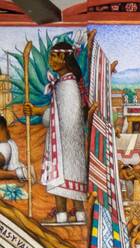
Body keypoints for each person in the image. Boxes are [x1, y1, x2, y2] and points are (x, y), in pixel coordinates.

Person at [40, 39, 88, 223]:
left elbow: (66, 116)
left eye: (54, 56)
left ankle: (69, 215)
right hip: (64, 142)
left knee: (63, 177)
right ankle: (66, 215)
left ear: (64, 58)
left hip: (66, 143)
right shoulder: (63, 83)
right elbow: (57, 112)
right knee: (65, 179)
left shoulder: (68, 85)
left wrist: (41, 113)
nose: (50, 60)